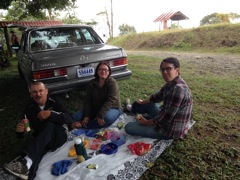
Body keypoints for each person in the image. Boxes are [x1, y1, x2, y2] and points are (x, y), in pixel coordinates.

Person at [4, 82, 74, 180]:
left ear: (46, 91)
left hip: (58, 137)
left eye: (41, 91)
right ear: (31, 94)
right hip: (42, 140)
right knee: (36, 153)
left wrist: (51, 114)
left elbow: (70, 118)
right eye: (34, 92)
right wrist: (20, 131)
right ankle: (27, 169)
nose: (38, 94)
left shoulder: (55, 102)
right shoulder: (28, 109)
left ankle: (24, 161)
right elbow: (26, 129)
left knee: (49, 125)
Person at [124, 57, 193, 140]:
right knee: (150, 103)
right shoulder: (172, 82)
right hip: (167, 119)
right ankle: (131, 108)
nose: (164, 72)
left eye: (168, 69)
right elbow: (156, 97)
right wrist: (142, 102)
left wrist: (145, 122)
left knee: (128, 127)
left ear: (177, 70)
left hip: (169, 130)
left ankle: (142, 116)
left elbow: (164, 120)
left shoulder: (178, 90)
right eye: (162, 69)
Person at [72, 62, 121, 129]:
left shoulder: (112, 83)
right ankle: (68, 124)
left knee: (107, 118)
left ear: (109, 72)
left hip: (112, 108)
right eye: (100, 69)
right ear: (97, 71)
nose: (103, 71)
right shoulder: (91, 83)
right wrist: (87, 115)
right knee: (77, 116)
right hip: (96, 108)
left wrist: (100, 115)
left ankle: (84, 125)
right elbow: (88, 100)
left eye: (105, 69)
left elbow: (111, 100)